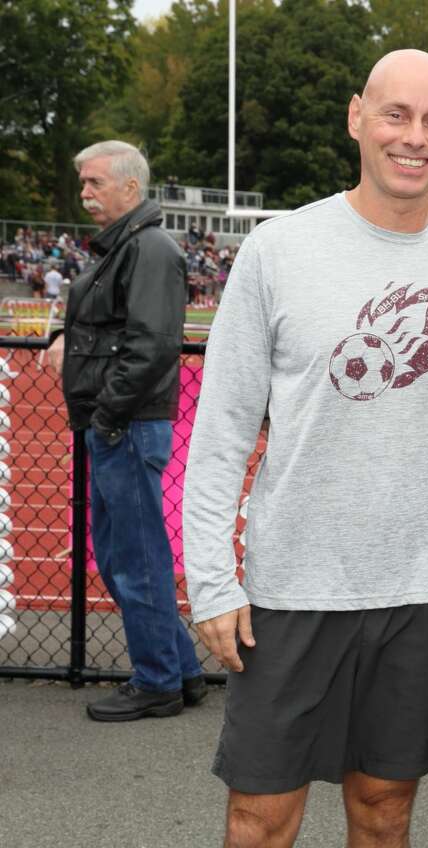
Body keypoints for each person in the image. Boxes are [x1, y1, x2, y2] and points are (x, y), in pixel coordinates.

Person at [182, 50, 428, 848]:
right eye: (396, 114)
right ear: (357, 117)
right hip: (294, 589)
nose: (415, 137)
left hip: (422, 590)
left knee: (383, 809)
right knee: (261, 817)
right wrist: (212, 582)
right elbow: (222, 430)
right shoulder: (278, 249)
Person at [41, 139, 205, 721]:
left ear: (130, 189)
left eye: (94, 183)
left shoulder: (149, 248)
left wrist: (107, 415)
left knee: (134, 559)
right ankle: (180, 670)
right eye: (83, 183)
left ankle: (157, 679)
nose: (85, 193)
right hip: (117, 423)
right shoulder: (127, 247)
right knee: (123, 556)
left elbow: (152, 344)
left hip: (125, 425)